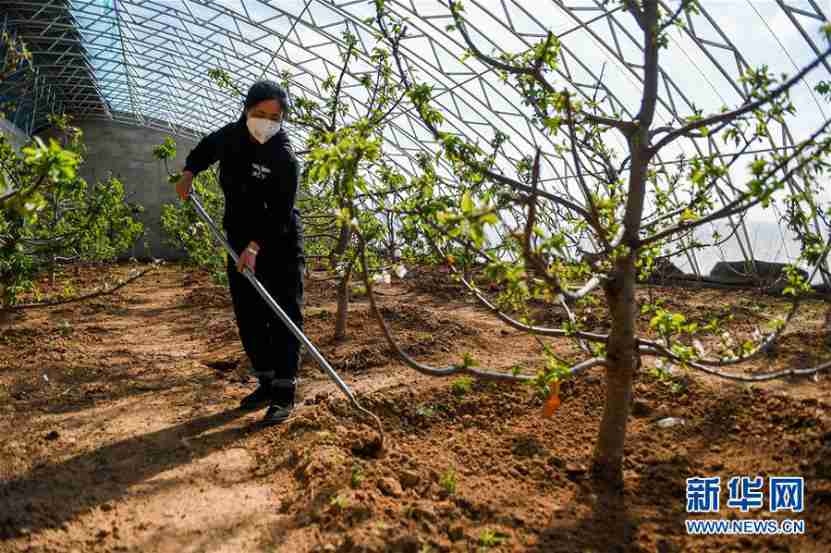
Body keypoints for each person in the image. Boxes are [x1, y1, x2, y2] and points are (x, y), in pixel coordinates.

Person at [175, 80, 304, 424]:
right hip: (238, 238)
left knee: (282, 314)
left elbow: (280, 213)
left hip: (278, 242)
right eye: (260, 113)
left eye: (274, 117)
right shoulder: (231, 136)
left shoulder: (284, 157)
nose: (266, 122)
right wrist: (189, 172)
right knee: (249, 314)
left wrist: (255, 247)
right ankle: (265, 383)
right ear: (246, 110)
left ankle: (284, 392)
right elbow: (205, 149)